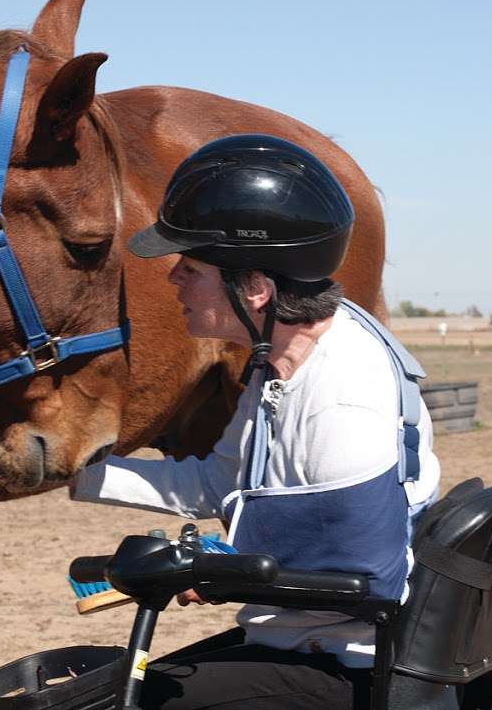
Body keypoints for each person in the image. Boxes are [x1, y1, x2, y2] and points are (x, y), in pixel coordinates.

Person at [71, 134, 440, 710]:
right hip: (300, 641)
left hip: (347, 663)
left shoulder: (343, 394)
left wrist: (217, 572)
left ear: (257, 289)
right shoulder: (282, 361)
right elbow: (219, 486)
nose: (174, 282)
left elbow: (362, 574)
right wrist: (76, 472)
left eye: (190, 268)